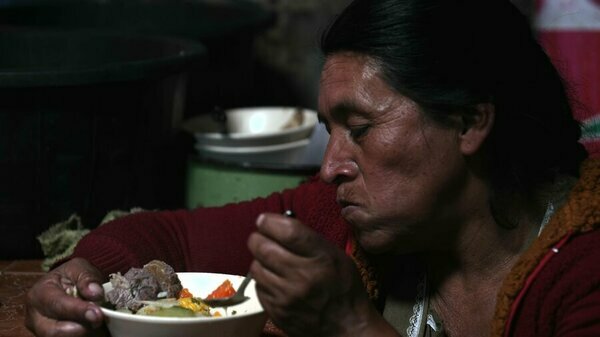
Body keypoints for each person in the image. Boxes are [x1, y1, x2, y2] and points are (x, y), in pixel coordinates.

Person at [25, 0, 600, 336]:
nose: (329, 169)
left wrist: (351, 323)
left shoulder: (582, 272)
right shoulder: (338, 222)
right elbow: (166, 235)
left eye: (362, 129)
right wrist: (77, 279)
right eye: (330, 131)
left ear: (470, 122)